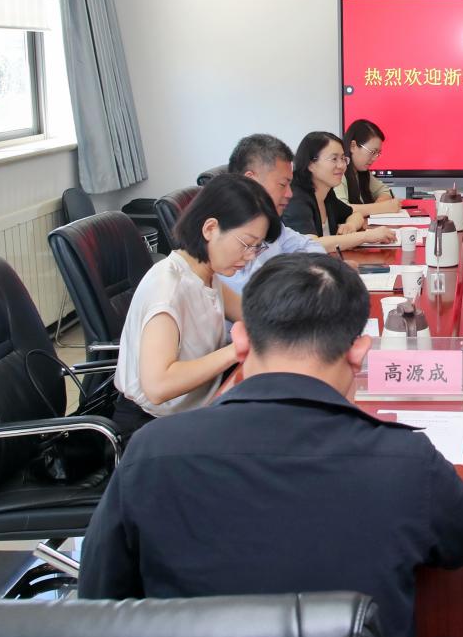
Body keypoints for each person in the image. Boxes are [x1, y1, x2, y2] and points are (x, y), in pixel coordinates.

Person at [81, 253, 463, 637]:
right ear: (360, 350)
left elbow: (98, 604)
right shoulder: (406, 462)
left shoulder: (151, 454)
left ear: (241, 339)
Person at [112, 173, 280, 435]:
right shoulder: (168, 290)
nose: (250, 256)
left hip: (200, 409)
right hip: (152, 428)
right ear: (210, 229)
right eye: (246, 244)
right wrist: (236, 350)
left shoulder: (205, 273)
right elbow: (158, 387)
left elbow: (253, 314)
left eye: (256, 247)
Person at [220, 133, 325, 295]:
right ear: (251, 181)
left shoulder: (269, 221)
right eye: (283, 184)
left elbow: (311, 246)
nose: (290, 194)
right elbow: (256, 292)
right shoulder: (228, 232)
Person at [281, 130, 395, 252]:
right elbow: (310, 245)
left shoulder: (326, 193)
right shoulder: (295, 198)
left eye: (343, 158)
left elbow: (354, 214)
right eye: (334, 159)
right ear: (311, 164)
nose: (342, 165)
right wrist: (366, 236)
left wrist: (350, 225)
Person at [337, 118, 403, 216]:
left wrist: (378, 207)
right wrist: (382, 208)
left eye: (378, 153)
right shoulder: (338, 171)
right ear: (353, 146)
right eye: (372, 152)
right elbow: (341, 209)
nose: (375, 158)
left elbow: (385, 191)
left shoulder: (361, 172)